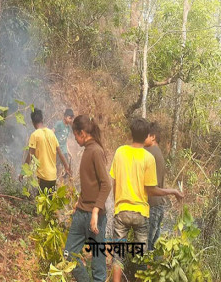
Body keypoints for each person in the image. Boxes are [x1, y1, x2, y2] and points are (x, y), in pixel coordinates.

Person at [110, 118, 183, 282]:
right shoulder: (148, 158)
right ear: (146, 137)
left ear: (131, 133)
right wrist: (171, 191)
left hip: (121, 210)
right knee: (141, 257)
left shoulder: (120, 152)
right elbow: (151, 189)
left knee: (118, 255)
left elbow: (114, 182)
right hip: (141, 213)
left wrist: (117, 203)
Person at [63, 115, 111, 282]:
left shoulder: (96, 151)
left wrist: (96, 211)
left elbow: (106, 184)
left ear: (82, 133)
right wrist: (79, 201)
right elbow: (90, 184)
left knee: (98, 265)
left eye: (75, 135)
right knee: (69, 254)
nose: (75, 139)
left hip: (94, 216)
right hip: (81, 213)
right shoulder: (88, 151)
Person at [20, 109, 71, 192]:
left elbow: (30, 155)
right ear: (42, 120)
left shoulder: (35, 135)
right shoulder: (51, 133)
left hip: (43, 176)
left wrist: (23, 172)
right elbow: (60, 152)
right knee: (50, 202)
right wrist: (66, 167)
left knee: (41, 202)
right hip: (53, 176)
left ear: (32, 122)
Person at [144, 122, 166, 251]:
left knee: (145, 245)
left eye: (145, 135)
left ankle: (141, 270)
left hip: (151, 204)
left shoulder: (149, 152)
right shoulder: (158, 152)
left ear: (153, 137)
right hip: (159, 204)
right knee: (154, 245)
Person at [52, 109, 74, 179]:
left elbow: (65, 140)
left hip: (64, 151)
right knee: (56, 167)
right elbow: (52, 132)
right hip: (57, 150)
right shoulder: (59, 124)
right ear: (65, 117)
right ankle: (56, 181)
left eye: (72, 118)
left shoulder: (68, 127)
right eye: (70, 118)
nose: (71, 120)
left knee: (66, 168)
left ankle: (64, 182)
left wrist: (68, 151)